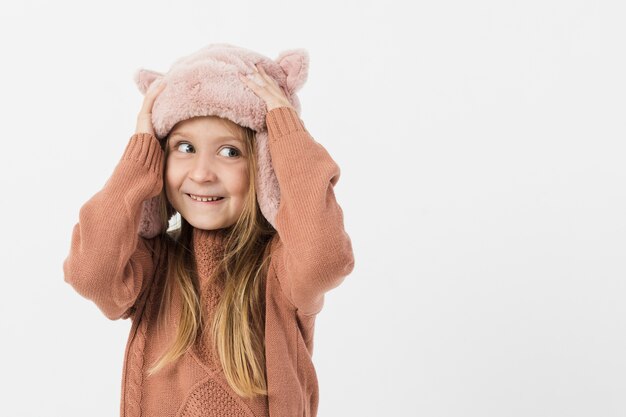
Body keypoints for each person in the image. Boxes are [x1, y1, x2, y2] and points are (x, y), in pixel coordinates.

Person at [63, 43, 354, 417]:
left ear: (266, 167)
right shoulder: (151, 267)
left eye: (230, 152)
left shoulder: (282, 270)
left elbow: (325, 257)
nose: (201, 173)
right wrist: (139, 154)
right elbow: (91, 272)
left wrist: (285, 130)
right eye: (184, 148)